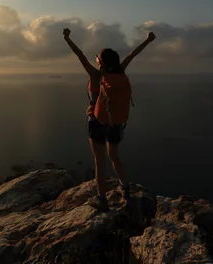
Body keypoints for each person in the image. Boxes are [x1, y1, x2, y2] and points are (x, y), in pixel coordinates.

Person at [63, 28, 156, 211]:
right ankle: (126, 191)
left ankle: (102, 199)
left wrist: (67, 38)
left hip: (96, 121)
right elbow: (132, 54)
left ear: (101, 61)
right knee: (115, 156)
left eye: (97, 56)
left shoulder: (95, 75)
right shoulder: (120, 73)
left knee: (100, 161)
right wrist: (148, 40)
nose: (95, 58)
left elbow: (80, 55)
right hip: (116, 122)